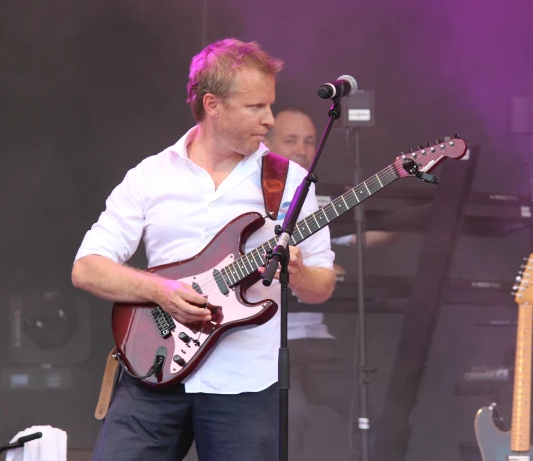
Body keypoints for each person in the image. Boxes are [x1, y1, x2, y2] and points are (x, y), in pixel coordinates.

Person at [71, 39, 336, 461]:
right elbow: (87, 268)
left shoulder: (290, 181)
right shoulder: (150, 176)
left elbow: (321, 285)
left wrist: (300, 273)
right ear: (212, 104)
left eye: (270, 105)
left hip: (245, 385)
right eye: (255, 107)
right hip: (152, 371)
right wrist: (160, 292)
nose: (269, 119)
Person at [265, 108, 398, 460]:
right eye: (290, 140)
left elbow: (370, 237)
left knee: (371, 408)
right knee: (290, 415)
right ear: (267, 143)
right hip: (267, 341)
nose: (302, 149)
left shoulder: (314, 203)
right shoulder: (251, 198)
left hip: (316, 343)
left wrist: (409, 210)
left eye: (309, 141)